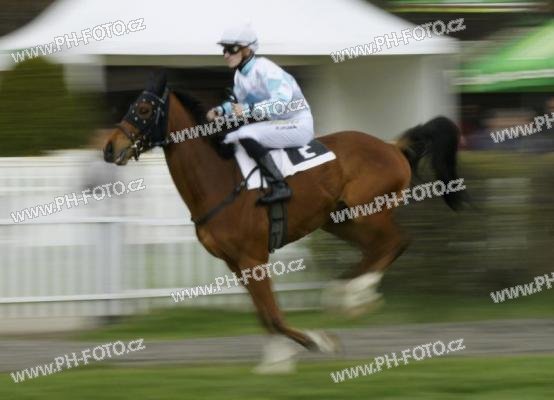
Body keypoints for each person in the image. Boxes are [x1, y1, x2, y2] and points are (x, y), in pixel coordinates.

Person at [206, 23, 314, 204]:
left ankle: (280, 186)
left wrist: (247, 110)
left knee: (245, 134)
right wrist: (220, 110)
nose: (226, 55)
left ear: (248, 49)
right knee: (227, 139)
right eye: (224, 49)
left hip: (298, 124)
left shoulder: (266, 68)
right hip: (277, 124)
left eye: (232, 49)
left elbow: (280, 104)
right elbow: (238, 105)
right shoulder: (240, 76)